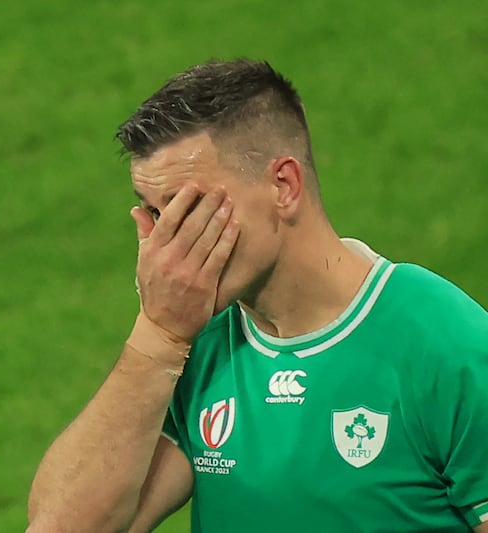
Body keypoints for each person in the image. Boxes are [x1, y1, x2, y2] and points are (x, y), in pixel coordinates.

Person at [26, 59, 488, 533]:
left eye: (192, 210)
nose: (168, 249)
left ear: (283, 186)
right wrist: (159, 334)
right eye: (157, 216)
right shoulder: (195, 347)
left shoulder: (449, 347)